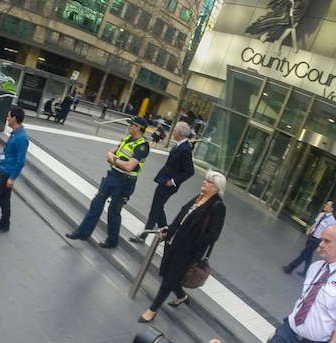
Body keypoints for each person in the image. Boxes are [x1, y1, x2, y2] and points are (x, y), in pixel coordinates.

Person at [138, 169, 225, 323]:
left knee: (169, 278)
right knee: (166, 272)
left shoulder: (217, 206)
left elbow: (213, 234)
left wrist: (195, 244)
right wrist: (169, 229)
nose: (204, 182)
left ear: (216, 188)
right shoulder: (199, 197)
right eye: (206, 179)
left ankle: (152, 310)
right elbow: (182, 217)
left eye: (209, 181)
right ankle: (181, 296)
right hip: (175, 242)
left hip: (188, 250)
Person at [65, 117, 150, 248]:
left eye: (132, 125)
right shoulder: (128, 138)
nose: (129, 126)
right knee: (96, 203)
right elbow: (111, 151)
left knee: (114, 211)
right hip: (112, 176)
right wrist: (111, 156)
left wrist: (114, 160)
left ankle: (112, 240)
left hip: (124, 181)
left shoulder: (142, 146)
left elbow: (129, 166)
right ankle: (83, 232)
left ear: (138, 128)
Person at [129, 122, 195, 243]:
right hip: (164, 179)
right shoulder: (179, 145)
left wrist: (174, 181)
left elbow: (190, 171)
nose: (172, 131)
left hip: (169, 183)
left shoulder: (185, 149)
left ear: (179, 133)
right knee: (158, 207)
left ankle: (144, 235)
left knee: (156, 208)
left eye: (174, 130)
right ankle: (165, 232)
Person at [282, 200, 336, 276]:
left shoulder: (332, 221)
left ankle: (290, 267)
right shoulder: (321, 214)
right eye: (326, 204)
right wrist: (310, 229)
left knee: (304, 254)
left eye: (327, 205)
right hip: (312, 236)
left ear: (332, 208)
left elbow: (329, 234)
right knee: (308, 255)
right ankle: (307, 271)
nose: (325, 205)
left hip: (317, 240)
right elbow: (316, 223)